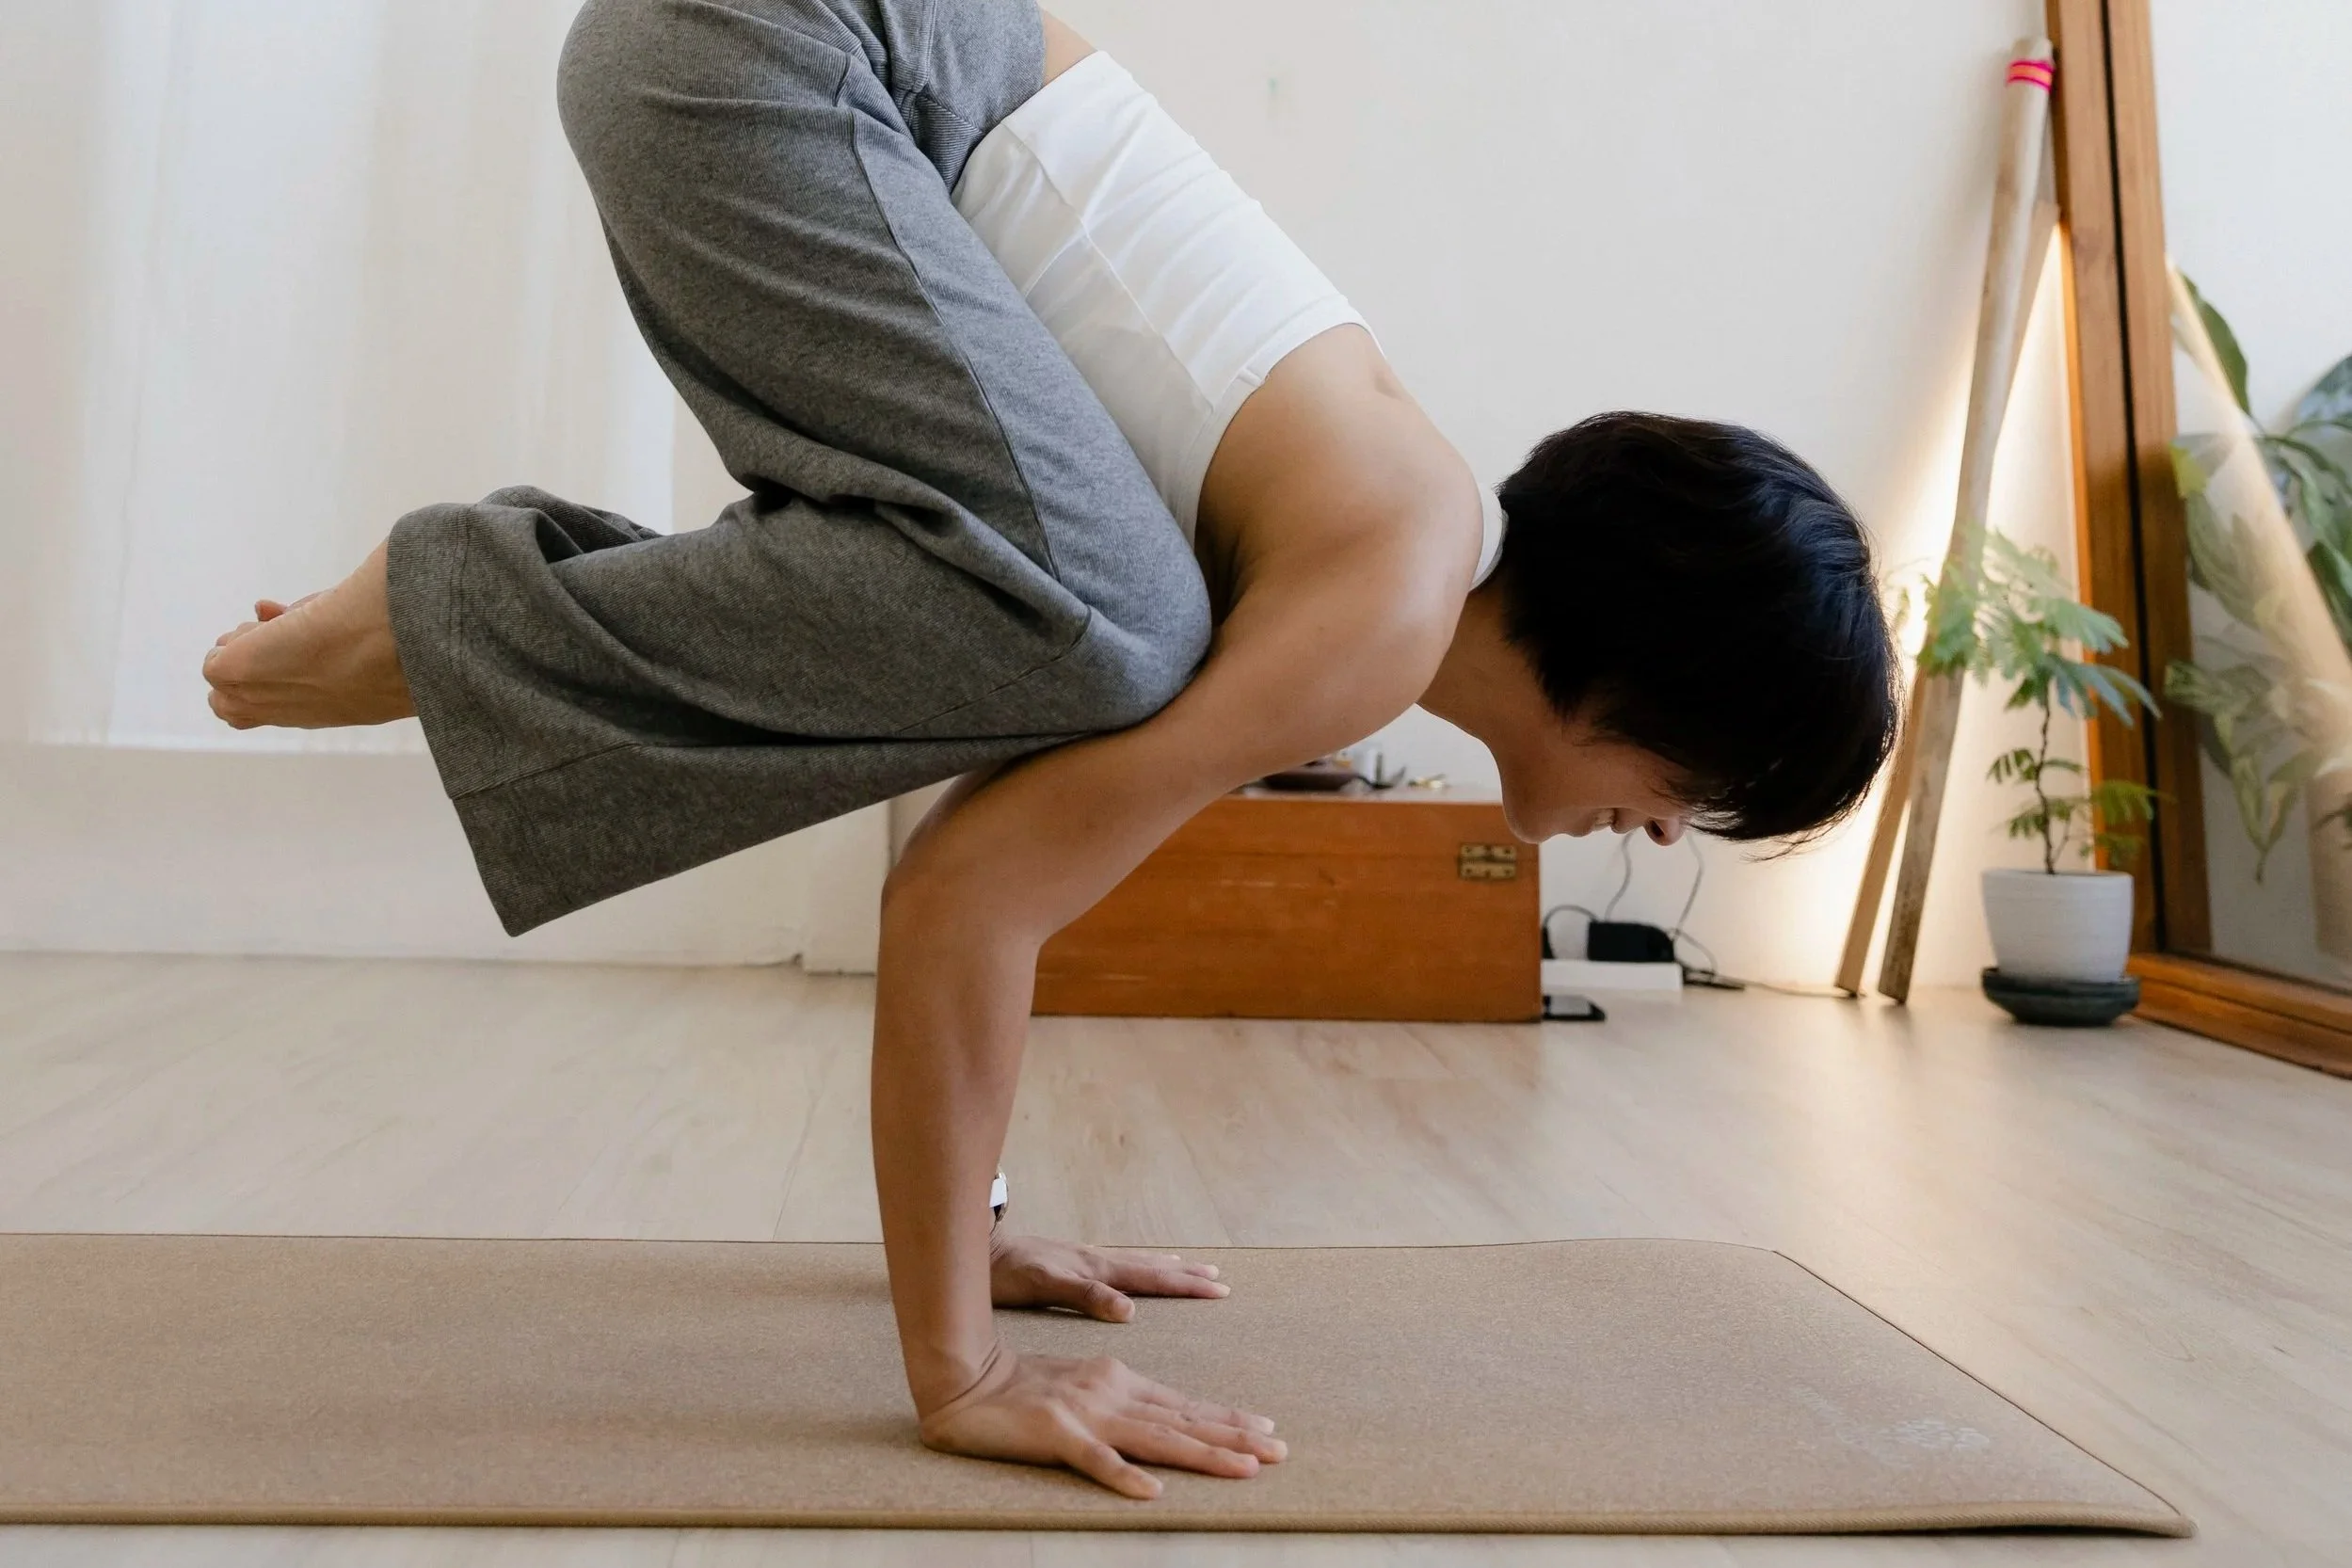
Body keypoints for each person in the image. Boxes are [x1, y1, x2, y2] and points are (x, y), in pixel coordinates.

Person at [201, 0, 1899, 1500]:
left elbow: (981, 790)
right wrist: (962, 1373)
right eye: (1701, 792)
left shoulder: (1373, 527)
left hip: (767, 59)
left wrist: (981, 1220)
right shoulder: (1377, 606)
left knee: (1082, 631)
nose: (1666, 840)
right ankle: (446, 612)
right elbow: (969, 902)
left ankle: (456, 614)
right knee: (1111, 631)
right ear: (1655, 690)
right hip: (768, 52)